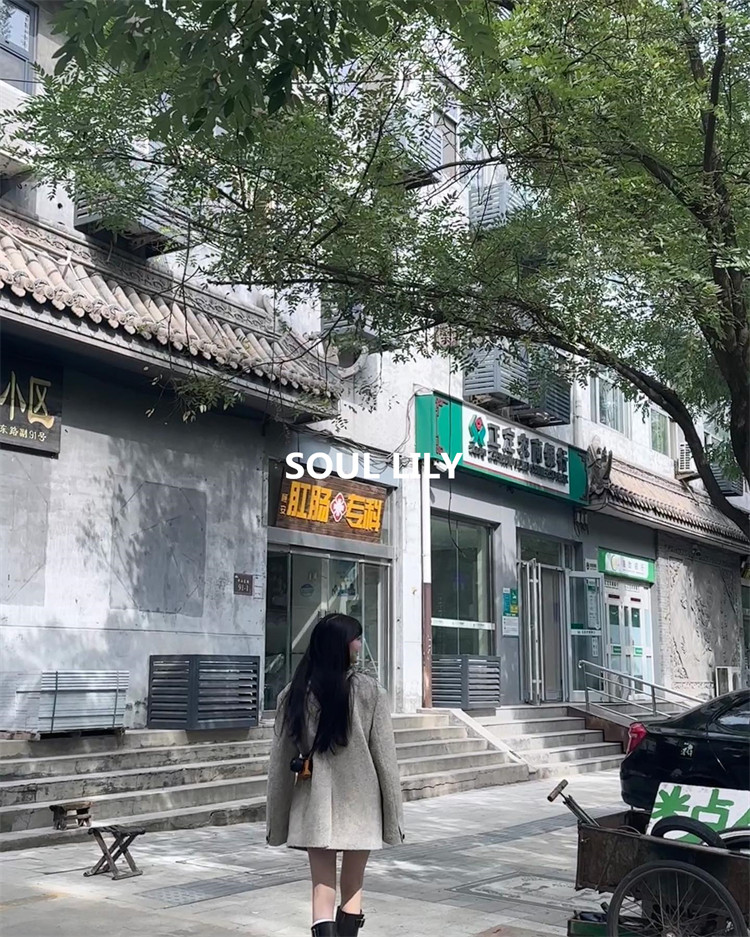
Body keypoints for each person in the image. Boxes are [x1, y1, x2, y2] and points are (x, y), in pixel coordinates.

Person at [266, 613, 404, 937]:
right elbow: (386, 760)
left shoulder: (294, 693)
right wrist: (394, 819)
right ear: (342, 644)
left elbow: (279, 765)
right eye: (357, 638)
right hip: (360, 804)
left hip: (314, 803)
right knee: (353, 884)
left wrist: (276, 823)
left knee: (321, 887)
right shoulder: (370, 692)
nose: (360, 644)